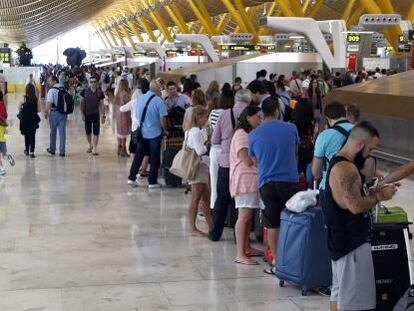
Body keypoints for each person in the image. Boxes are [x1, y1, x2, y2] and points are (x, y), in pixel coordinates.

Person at [325, 121, 397, 311]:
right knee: (355, 304)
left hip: (341, 243)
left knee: (340, 296)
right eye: (370, 149)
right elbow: (356, 206)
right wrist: (380, 195)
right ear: (359, 144)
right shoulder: (347, 169)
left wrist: (371, 189)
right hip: (352, 245)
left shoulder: (338, 163)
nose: (370, 154)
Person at [248, 98, 300, 274]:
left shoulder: (253, 134)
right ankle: (295, 260)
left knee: (272, 223)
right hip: (289, 181)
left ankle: (277, 262)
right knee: (294, 221)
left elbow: (255, 161)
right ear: (278, 110)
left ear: (262, 112)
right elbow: (295, 153)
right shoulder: (291, 128)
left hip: (267, 183)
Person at [209, 89, 251, 241]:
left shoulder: (224, 114)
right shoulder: (251, 115)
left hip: (226, 162)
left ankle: (215, 233)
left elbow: (215, 139)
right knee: (239, 201)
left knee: (222, 198)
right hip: (244, 164)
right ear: (249, 100)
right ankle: (238, 237)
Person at [230, 105, 262, 265]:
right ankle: (240, 253)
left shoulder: (248, 133)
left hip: (250, 179)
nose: (260, 120)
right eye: (257, 116)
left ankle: (247, 248)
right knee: (244, 216)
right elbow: (247, 159)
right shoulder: (242, 135)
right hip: (244, 180)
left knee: (248, 217)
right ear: (248, 117)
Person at [127, 81, 168, 189]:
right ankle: (152, 182)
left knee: (138, 157)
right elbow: (163, 119)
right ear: (157, 89)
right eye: (160, 89)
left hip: (142, 133)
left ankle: (131, 178)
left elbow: (136, 114)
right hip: (154, 134)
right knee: (154, 158)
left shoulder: (140, 98)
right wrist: (165, 129)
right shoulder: (158, 101)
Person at [312, 101, 353, 206]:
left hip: (330, 188)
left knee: (331, 222)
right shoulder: (361, 132)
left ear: (328, 119)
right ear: (345, 115)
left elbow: (316, 172)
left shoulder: (324, 136)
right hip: (356, 188)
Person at [185, 105, 213, 236]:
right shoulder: (196, 131)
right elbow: (200, 151)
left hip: (198, 167)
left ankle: (211, 226)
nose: (206, 120)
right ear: (199, 117)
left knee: (205, 198)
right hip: (198, 167)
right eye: (205, 117)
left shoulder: (189, 130)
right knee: (196, 198)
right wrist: (207, 143)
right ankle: (193, 228)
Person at [208, 91, 234, 210]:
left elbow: (211, 131)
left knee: (214, 183)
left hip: (215, 150)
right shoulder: (232, 114)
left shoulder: (213, 113)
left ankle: (213, 207)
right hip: (228, 150)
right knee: (228, 183)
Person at [80, 76, 105, 156]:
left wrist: (103, 115)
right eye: (91, 82)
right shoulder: (84, 91)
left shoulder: (100, 92)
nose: (93, 83)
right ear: (89, 83)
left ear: (97, 83)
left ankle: (95, 148)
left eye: (94, 82)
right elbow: (82, 104)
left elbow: (102, 105)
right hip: (87, 114)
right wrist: (82, 114)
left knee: (96, 132)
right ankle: (90, 144)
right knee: (88, 132)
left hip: (96, 114)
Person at [45, 76, 67, 157]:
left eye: (49, 81)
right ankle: (62, 151)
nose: (48, 82)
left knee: (53, 132)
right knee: (62, 133)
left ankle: (52, 149)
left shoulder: (51, 90)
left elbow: (49, 103)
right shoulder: (63, 88)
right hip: (63, 113)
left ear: (54, 81)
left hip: (54, 113)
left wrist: (46, 112)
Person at [19, 84, 40, 158]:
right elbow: (39, 110)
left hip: (25, 120)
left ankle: (27, 150)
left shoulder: (24, 98)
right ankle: (32, 152)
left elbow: (20, 108)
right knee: (32, 135)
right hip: (33, 119)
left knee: (26, 135)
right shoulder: (35, 99)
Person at [114, 79, 132, 157]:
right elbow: (129, 106)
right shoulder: (126, 94)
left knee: (119, 133)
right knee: (124, 134)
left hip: (118, 117)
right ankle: (123, 150)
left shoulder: (118, 94)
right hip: (125, 116)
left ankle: (119, 147)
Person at [0, 90, 14, 175]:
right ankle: (7, 156)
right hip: (1, 131)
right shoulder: (2, 104)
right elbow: (5, 115)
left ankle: (1, 169)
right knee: (2, 151)